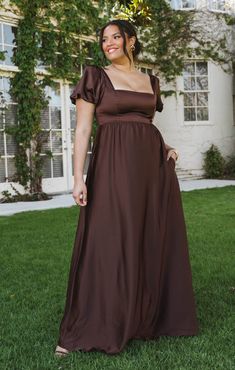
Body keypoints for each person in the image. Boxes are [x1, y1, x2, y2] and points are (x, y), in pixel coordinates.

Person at [55, 19, 199, 357]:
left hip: (150, 169)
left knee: (147, 237)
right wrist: (78, 177)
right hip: (111, 168)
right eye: (104, 39)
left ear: (131, 41)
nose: (108, 43)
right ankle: (90, 323)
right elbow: (82, 130)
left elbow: (146, 124)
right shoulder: (95, 77)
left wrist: (165, 148)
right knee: (107, 240)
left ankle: (142, 318)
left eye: (115, 37)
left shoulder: (150, 80)